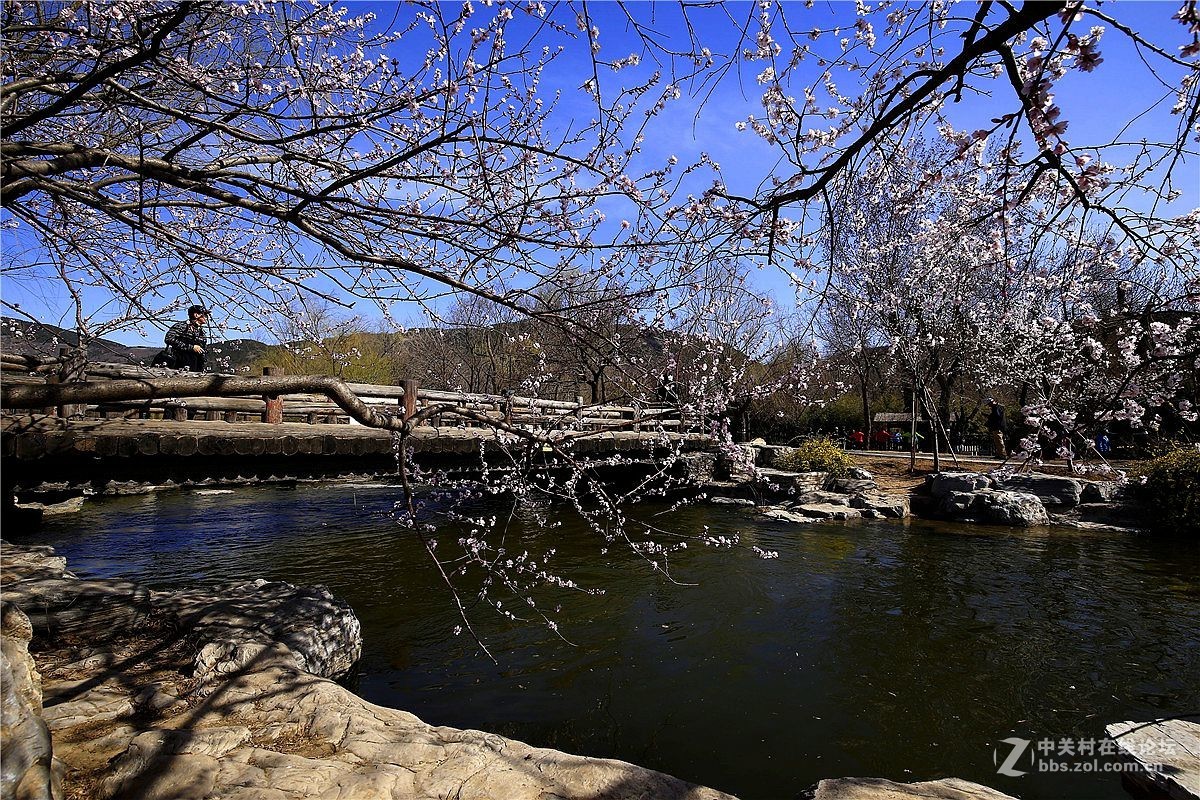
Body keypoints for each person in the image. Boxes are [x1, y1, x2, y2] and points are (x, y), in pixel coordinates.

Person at [164, 305, 209, 371]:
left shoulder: (202, 332)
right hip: (180, 364)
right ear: (196, 315)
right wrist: (191, 347)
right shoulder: (181, 326)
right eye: (205, 315)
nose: (207, 317)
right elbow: (169, 339)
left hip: (196, 366)